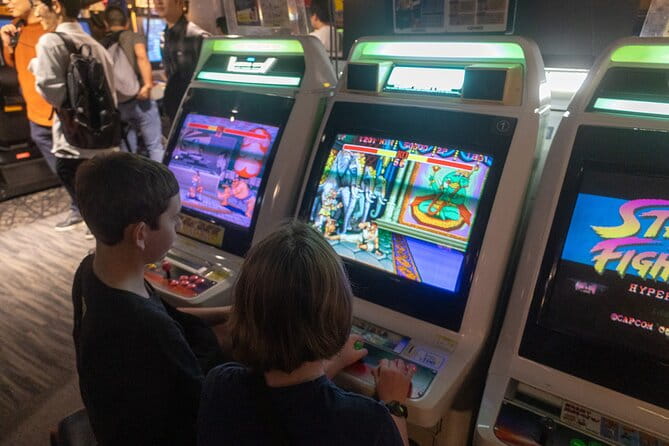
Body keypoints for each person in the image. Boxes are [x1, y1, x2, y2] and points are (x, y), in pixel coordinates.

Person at [198, 222, 415, 446]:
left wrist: (336, 361)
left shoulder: (221, 385)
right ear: (339, 312)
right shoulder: (367, 423)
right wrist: (394, 404)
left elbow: (289, 406)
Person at [73, 152, 231, 445]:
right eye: (174, 218)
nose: (179, 225)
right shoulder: (145, 327)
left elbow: (166, 316)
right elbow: (205, 406)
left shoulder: (90, 271)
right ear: (141, 234)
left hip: (114, 411)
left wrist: (227, 312)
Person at [29, 0, 118, 235]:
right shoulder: (95, 44)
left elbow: (54, 94)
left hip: (75, 139)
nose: (36, 12)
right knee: (101, 188)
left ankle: (102, 233)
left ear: (56, 6)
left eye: (38, 5)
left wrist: (35, 66)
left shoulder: (50, 42)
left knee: (75, 181)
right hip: (103, 135)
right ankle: (106, 232)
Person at [0, 0, 82, 231]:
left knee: (76, 164)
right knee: (65, 166)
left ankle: (89, 210)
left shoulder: (51, 29)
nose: (6, 2)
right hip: (36, 111)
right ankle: (81, 206)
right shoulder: (17, 28)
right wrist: (7, 44)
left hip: (59, 111)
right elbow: (16, 65)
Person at [101, 5, 165, 162]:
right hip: (141, 99)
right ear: (127, 22)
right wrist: (147, 85)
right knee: (154, 146)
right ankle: (161, 176)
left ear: (106, 23)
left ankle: (132, 176)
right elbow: (142, 57)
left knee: (128, 150)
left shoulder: (101, 43)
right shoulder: (134, 37)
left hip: (119, 105)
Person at [154, 0, 209, 124]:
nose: (158, 2)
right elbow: (169, 71)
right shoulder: (165, 35)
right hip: (174, 108)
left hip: (194, 112)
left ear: (180, 3)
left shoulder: (197, 36)